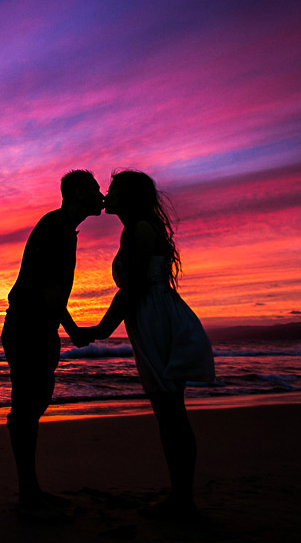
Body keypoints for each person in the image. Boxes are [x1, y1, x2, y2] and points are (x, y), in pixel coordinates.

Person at [84, 169, 214, 518]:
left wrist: (101, 329)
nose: (107, 195)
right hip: (151, 314)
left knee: (170, 409)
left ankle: (182, 499)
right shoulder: (137, 228)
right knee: (169, 409)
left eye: (113, 189)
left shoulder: (138, 229)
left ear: (128, 196)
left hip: (153, 315)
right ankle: (180, 495)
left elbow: (134, 286)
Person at [2, 169, 102, 511]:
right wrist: (73, 330)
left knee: (33, 404)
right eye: (95, 189)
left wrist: (67, 328)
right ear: (77, 192)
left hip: (35, 327)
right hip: (29, 327)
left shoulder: (62, 228)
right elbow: (47, 290)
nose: (101, 195)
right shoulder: (57, 227)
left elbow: (52, 292)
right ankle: (29, 496)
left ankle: (30, 491)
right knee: (29, 408)